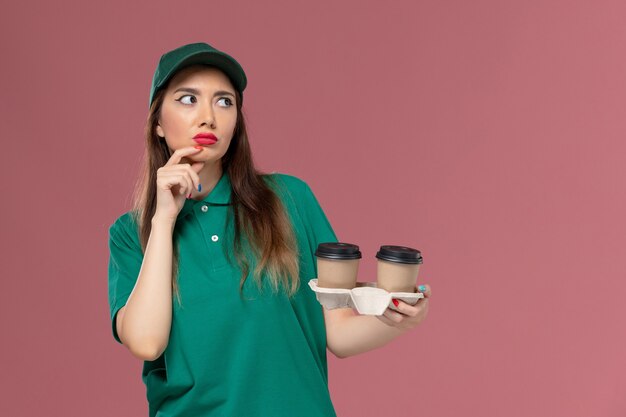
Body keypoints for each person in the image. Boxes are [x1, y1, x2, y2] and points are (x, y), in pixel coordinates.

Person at [107, 42, 432, 417]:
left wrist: (401, 321)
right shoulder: (131, 234)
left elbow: (338, 332)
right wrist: (163, 221)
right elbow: (146, 342)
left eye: (224, 102)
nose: (208, 117)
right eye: (187, 99)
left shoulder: (290, 199)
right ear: (158, 123)